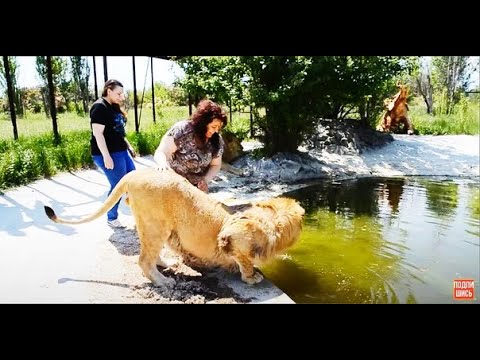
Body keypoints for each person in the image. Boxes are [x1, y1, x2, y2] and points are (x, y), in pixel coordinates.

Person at [90, 79, 137, 228]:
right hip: (108, 153)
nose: (121, 96)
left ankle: (139, 213)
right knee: (118, 185)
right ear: (108, 91)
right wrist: (106, 156)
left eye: (122, 93)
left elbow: (118, 131)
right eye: (118, 93)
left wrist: (128, 146)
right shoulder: (99, 107)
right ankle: (111, 218)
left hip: (121, 151)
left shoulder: (113, 107)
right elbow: (98, 134)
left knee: (134, 181)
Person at [154, 99, 227, 193]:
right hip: (174, 186)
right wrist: (162, 164)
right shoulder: (181, 130)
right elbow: (161, 152)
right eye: (213, 127)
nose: (216, 131)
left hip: (197, 190)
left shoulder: (216, 140)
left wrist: (205, 180)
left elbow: (216, 164)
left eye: (219, 128)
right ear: (204, 122)